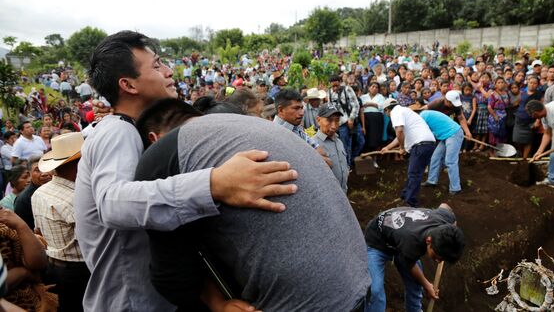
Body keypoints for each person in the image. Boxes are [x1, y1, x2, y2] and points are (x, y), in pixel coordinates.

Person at [74, 31, 298, 312]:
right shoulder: (118, 131)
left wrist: (215, 299)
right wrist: (214, 183)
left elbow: (169, 234)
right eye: (156, 66)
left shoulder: (133, 130)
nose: (168, 72)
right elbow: (113, 203)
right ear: (128, 84)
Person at [134, 101, 371, 311]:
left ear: (153, 140)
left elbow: (172, 276)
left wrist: (217, 302)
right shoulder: (258, 128)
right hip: (358, 282)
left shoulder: (162, 155)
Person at [363, 203, 465, 312]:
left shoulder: (443, 219)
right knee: (375, 290)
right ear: (428, 241)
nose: (439, 261)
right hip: (377, 242)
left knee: (415, 285)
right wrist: (427, 285)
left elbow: (444, 206)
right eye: (436, 257)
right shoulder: (412, 241)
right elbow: (410, 267)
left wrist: (453, 229)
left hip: (399, 236)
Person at [32, 132, 90, 312]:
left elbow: (38, 231)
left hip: (54, 266)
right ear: (80, 165)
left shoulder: (39, 193)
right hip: (80, 271)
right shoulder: (78, 199)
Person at [381, 99, 436, 207]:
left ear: (387, 110)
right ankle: (405, 196)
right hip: (427, 144)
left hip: (421, 145)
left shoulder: (395, 112)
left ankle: (410, 203)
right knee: (414, 173)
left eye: (386, 112)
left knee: (414, 174)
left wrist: (402, 147)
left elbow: (399, 131)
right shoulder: (405, 111)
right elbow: (399, 135)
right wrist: (387, 147)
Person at [420, 110, 464, 195]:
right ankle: (432, 181)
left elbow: (423, 134)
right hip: (445, 135)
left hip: (454, 134)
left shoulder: (422, 117)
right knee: (435, 157)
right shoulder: (423, 116)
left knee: (450, 161)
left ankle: (455, 188)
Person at [313, 103, 349, 193]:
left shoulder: (339, 141)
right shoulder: (313, 145)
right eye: (329, 120)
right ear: (318, 120)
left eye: (337, 120)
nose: (334, 126)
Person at [327, 75, 360, 165]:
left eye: (336, 85)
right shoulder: (329, 92)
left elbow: (356, 105)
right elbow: (330, 108)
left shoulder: (347, 89)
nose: (335, 88)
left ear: (340, 82)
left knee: (346, 146)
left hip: (345, 122)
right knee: (336, 145)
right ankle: (341, 164)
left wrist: (351, 119)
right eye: (333, 86)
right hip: (335, 124)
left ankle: (347, 165)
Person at [13, 156, 52, 230]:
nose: (44, 174)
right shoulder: (23, 200)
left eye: (47, 168)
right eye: (38, 170)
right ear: (29, 174)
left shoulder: (57, 190)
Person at [487, 78, 510, 156]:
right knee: (494, 134)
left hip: (504, 115)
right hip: (495, 115)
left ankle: (500, 152)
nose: (500, 84)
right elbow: (489, 107)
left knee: (502, 134)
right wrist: (495, 116)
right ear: (495, 84)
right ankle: (491, 151)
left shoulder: (506, 93)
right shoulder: (493, 94)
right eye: (498, 82)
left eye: (502, 82)